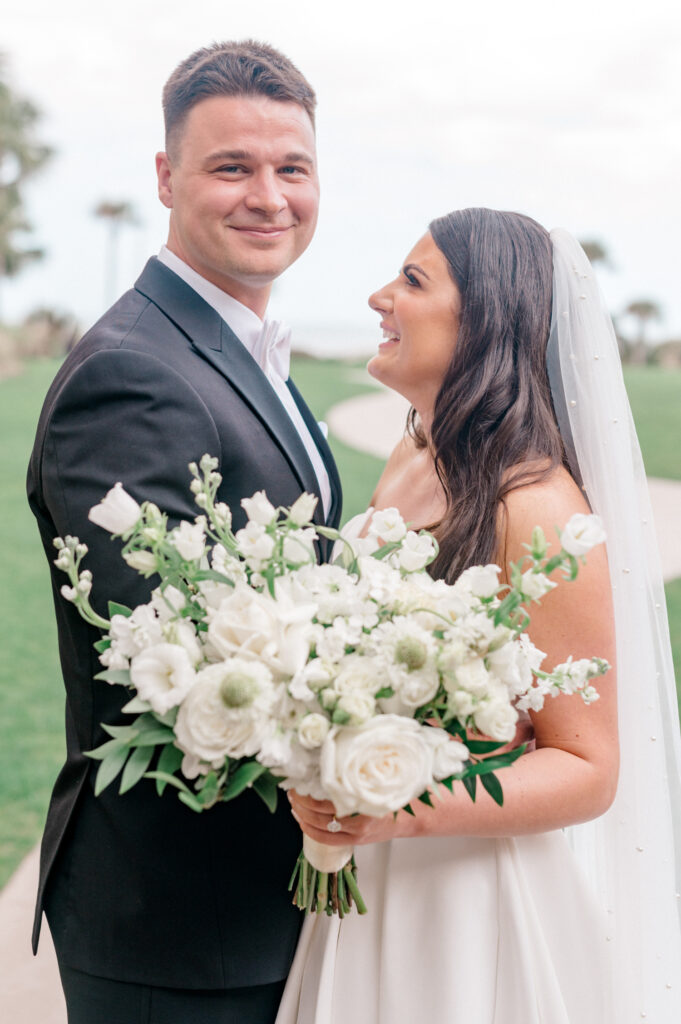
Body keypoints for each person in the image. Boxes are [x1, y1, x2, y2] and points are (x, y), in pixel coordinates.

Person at [278, 209, 681, 1022]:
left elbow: (587, 767)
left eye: (413, 281)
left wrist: (397, 808)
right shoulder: (412, 453)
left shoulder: (533, 508)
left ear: (486, 324)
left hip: (466, 902)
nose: (378, 296)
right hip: (367, 881)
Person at [27, 40, 341, 1023]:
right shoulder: (135, 372)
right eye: (231, 167)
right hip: (181, 919)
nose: (269, 196)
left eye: (292, 168)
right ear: (166, 178)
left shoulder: (243, 349)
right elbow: (173, 658)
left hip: (257, 902)